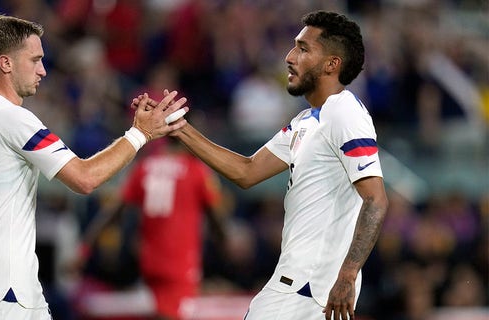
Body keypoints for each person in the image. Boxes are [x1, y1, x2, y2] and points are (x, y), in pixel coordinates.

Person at [0, 14, 188, 320]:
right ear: (6, 64)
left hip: (4, 290)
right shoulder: (13, 119)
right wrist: (139, 134)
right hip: (5, 293)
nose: (43, 70)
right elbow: (85, 178)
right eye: (35, 60)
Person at [145, 10, 389, 320]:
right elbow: (246, 171)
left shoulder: (344, 113)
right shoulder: (305, 121)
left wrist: (348, 275)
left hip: (307, 288)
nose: (289, 57)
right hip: (304, 285)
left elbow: (376, 198)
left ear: (332, 64)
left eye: (303, 48)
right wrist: (179, 128)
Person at [79, 138, 228, 320]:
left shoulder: (144, 167)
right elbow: (216, 218)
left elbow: (114, 212)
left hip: (149, 260)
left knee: (161, 312)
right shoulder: (197, 169)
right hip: (180, 262)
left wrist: (86, 248)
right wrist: (225, 246)